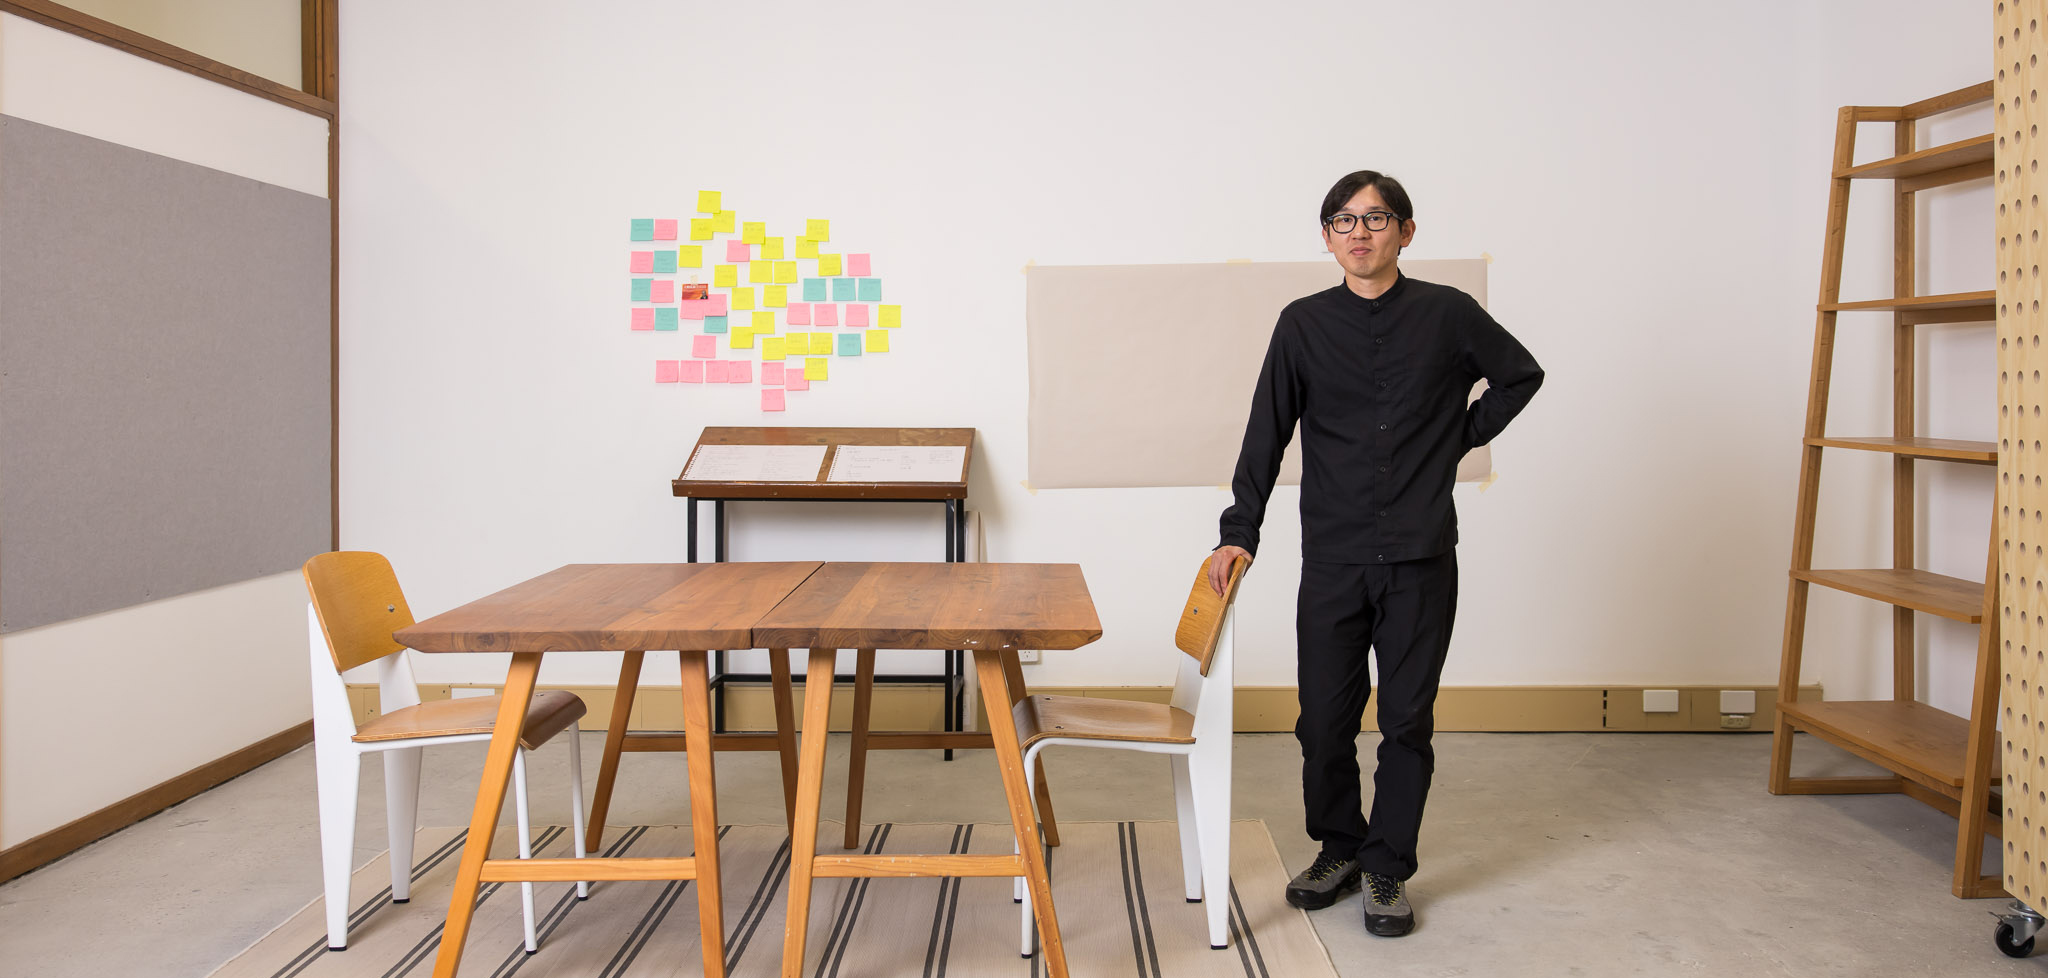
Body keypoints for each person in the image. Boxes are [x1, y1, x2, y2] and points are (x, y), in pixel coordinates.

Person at [1208, 170, 1542, 937]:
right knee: (1322, 723)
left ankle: (1388, 867)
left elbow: (1521, 375)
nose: (1360, 233)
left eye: (1377, 218)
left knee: (1405, 723)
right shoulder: (1302, 324)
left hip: (1422, 555)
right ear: (1327, 237)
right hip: (1333, 555)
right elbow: (1267, 433)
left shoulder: (1448, 313)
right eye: (1343, 221)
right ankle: (1339, 847)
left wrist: (1457, 436)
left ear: (1407, 231)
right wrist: (1239, 533)